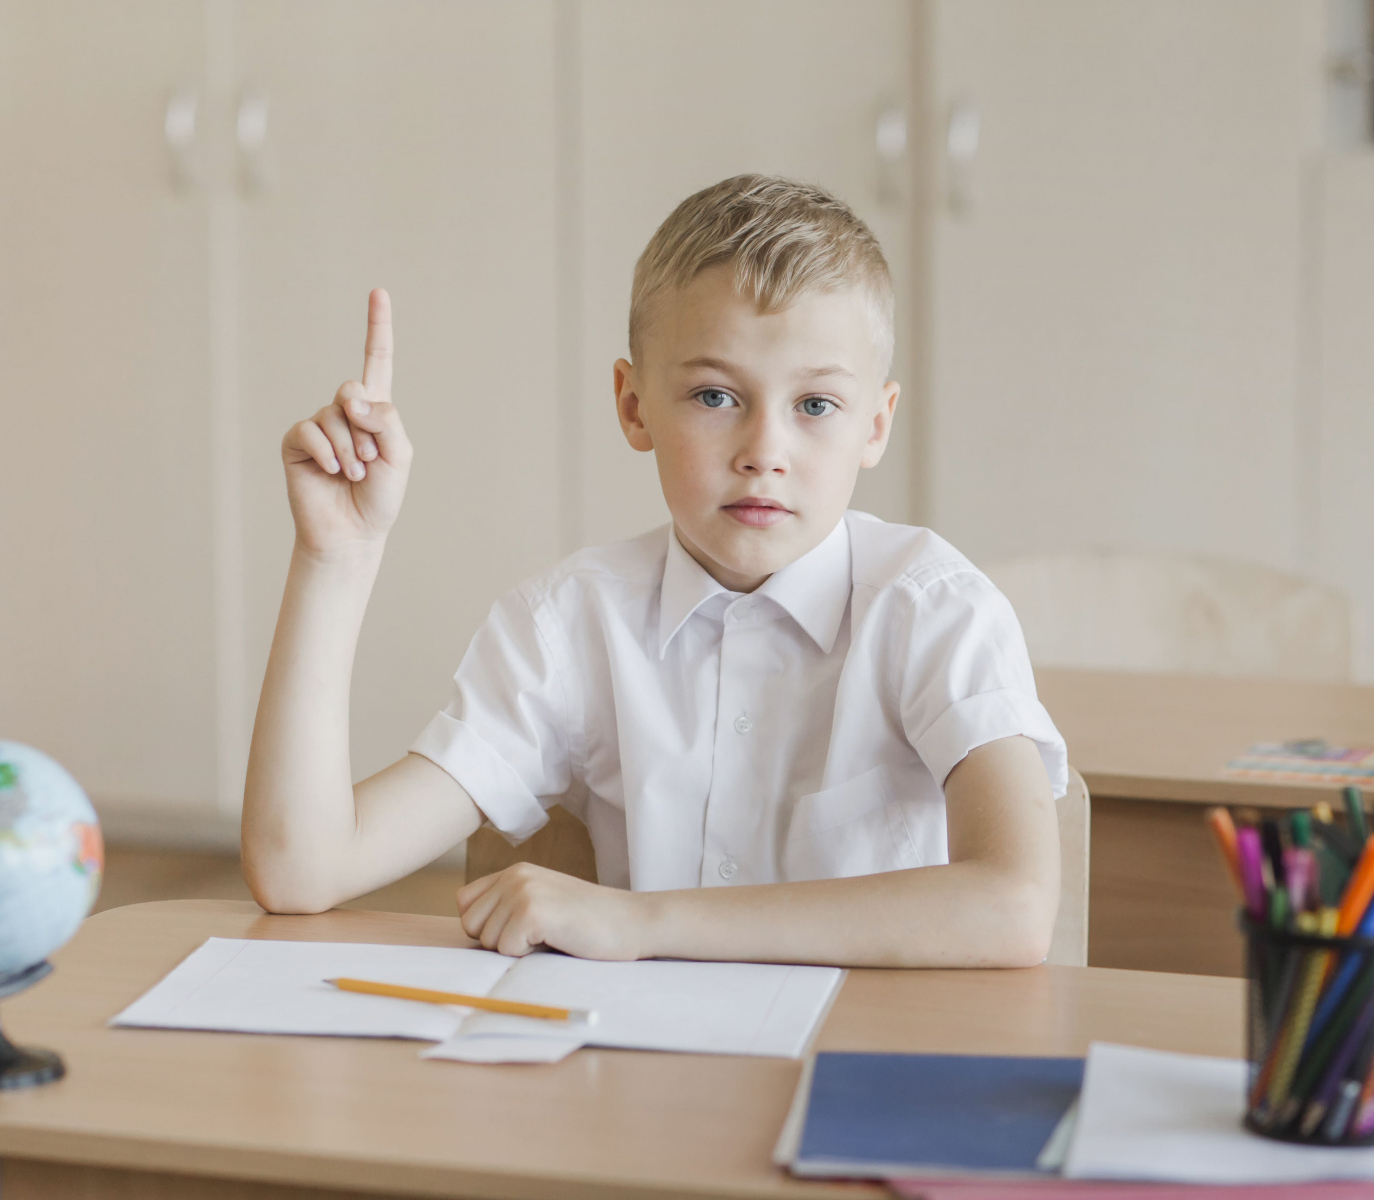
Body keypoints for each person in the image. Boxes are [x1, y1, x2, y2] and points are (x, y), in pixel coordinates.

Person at [242, 175, 1067, 969]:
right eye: (715, 397)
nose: (764, 453)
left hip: (868, 1054)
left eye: (815, 406)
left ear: (875, 425)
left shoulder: (934, 610)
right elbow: (301, 868)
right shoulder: (570, 626)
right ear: (634, 406)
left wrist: (644, 921)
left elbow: (1016, 906)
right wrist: (337, 557)